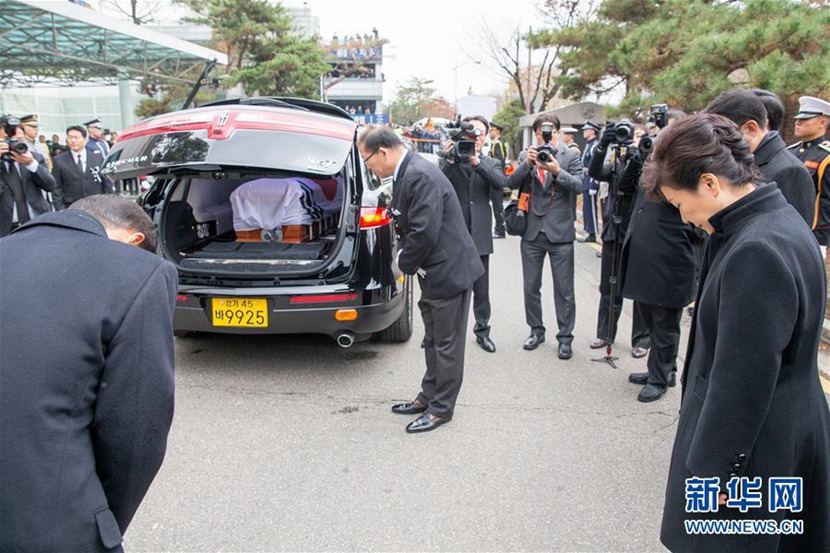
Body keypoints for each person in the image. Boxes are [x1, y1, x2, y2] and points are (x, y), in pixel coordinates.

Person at [647, 113, 830, 552]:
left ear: (710, 183)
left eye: (679, 203)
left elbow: (742, 379)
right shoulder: (773, 218)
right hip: (786, 424)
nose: (685, 217)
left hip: (756, 448)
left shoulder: (755, 250)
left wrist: (714, 473)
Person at [0, 194, 177, 552]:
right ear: (134, 240)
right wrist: (100, 518)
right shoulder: (138, 271)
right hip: (50, 524)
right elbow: (136, 432)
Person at [358, 125, 484, 434]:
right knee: (432, 339)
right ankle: (429, 395)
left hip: (448, 271)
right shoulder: (407, 171)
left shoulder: (419, 175)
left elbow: (424, 231)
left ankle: (442, 408)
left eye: (367, 159)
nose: (368, 166)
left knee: (447, 343)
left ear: (383, 152)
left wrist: (401, 263)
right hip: (435, 270)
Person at [618, 111, 702, 402]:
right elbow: (624, 187)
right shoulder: (653, 160)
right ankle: (661, 368)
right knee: (649, 317)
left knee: (665, 322)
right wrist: (640, 158)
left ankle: (662, 375)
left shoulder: (689, 164)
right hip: (645, 253)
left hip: (670, 255)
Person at [507, 113, 583, 359]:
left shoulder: (570, 156)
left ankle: (565, 338)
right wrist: (527, 164)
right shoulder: (526, 155)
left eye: (548, 131)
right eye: (540, 132)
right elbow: (512, 182)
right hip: (531, 231)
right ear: (536, 133)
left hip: (560, 233)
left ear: (558, 132)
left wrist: (557, 170)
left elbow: (579, 186)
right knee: (531, 286)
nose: (544, 136)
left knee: (564, 289)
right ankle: (536, 330)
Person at [439, 115, 506, 353]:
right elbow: (438, 183)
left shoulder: (491, 162)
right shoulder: (451, 160)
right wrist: (448, 158)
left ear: (486, 137)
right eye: (472, 132)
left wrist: (478, 162)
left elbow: (500, 183)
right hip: (454, 233)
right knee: (451, 287)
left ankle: (483, 331)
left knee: (481, 288)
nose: (476, 137)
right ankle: (446, 333)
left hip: (479, 234)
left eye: (481, 132)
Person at [587, 122, 651, 358]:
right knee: (608, 285)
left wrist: (640, 156)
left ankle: (641, 339)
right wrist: (603, 145)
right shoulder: (614, 160)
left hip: (637, 230)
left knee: (639, 288)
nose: (625, 139)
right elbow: (595, 173)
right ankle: (605, 333)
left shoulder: (645, 157)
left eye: (630, 134)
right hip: (614, 229)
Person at [705, 88, 814, 225]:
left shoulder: (789, 171)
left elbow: (793, 235)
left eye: (723, 134)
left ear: (750, 129)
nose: (717, 142)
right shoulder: (744, 163)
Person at [0, 115, 57, 237]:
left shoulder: (35, 157)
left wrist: (31, 164)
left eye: (18, 139)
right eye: (6, 139)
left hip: (37, 224)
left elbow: (50, 185)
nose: (13, 143)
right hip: (6, 229)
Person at [788, 95, 830, 257]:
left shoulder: (826, 158)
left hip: (812, 233)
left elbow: (826, 202)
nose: (798, 122)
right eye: (798, 118)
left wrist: (821, 239)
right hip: (786, 227)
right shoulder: (790, 152)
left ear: (822, 123)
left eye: (805, 119)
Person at [52, 125, 116, 209]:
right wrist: (60, 209)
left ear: (85, 139)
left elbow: (107, 183)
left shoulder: (98, 158)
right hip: (71, 206)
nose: (73, 140)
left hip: (96, 206)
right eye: (70, 137)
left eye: (76, 137)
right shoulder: (59, 160)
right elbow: (56, 187)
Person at [580, 120, 602, 244]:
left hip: (591, 178)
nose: (584, 131)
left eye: (586, 129)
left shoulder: (595, 145)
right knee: (586, 206)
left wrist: (595, 182)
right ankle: (589, 231)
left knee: (591, 207)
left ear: (593, 131)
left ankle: (593, 232)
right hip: (585, 178)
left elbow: (596, 165)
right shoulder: (589, 144)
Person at [489, 121, 508, 238]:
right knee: (497, 205)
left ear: (497, 131)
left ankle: (500, 230)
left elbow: (498, 162)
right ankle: (499, 229)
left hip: (496, 178)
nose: (490, 132)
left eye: (492, 130)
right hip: (495, 178)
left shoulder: (497, 144)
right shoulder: (495, 143)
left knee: (498, 205)